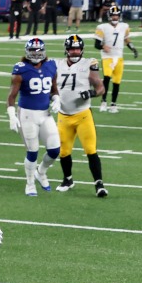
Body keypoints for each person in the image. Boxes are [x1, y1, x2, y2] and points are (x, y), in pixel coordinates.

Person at [6, 38, 60, 196]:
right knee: (32, 151)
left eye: (38, 51)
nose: (36, 54)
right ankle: (30, 183)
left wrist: (56, 98)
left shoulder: (51, 66)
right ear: (27, 52)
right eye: (32, 51)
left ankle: (41, 172)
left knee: (55, 150)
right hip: (27, 115)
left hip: (45, 114)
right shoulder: (21, 69)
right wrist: (11, 115)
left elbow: (53, 89)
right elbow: (11, 96)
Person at [55, 34, 107, 196]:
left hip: (83, 115)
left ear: (82, 50)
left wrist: (91, 93)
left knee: (90, 149)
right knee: (64, 151)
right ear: (66, 50)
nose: (75, 52)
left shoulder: (88, 63)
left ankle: (99, 184)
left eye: (78, 49)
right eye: (72, 49)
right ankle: (68, 179)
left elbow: (100, 87)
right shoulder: (56, 64)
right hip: (63, 115)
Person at [94, 5, 137, 113]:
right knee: (107, 78)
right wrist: (103, 46)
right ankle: (103, 101)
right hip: (107, 57)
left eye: (117, 15)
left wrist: (133, 49)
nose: (115, 17)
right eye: (113, 15)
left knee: (117, 82)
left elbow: (127, 39)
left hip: (119, 57)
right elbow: (96, 44)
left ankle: (113, 104)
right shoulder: (102, 27)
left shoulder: (124, 26)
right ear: (109, 16)